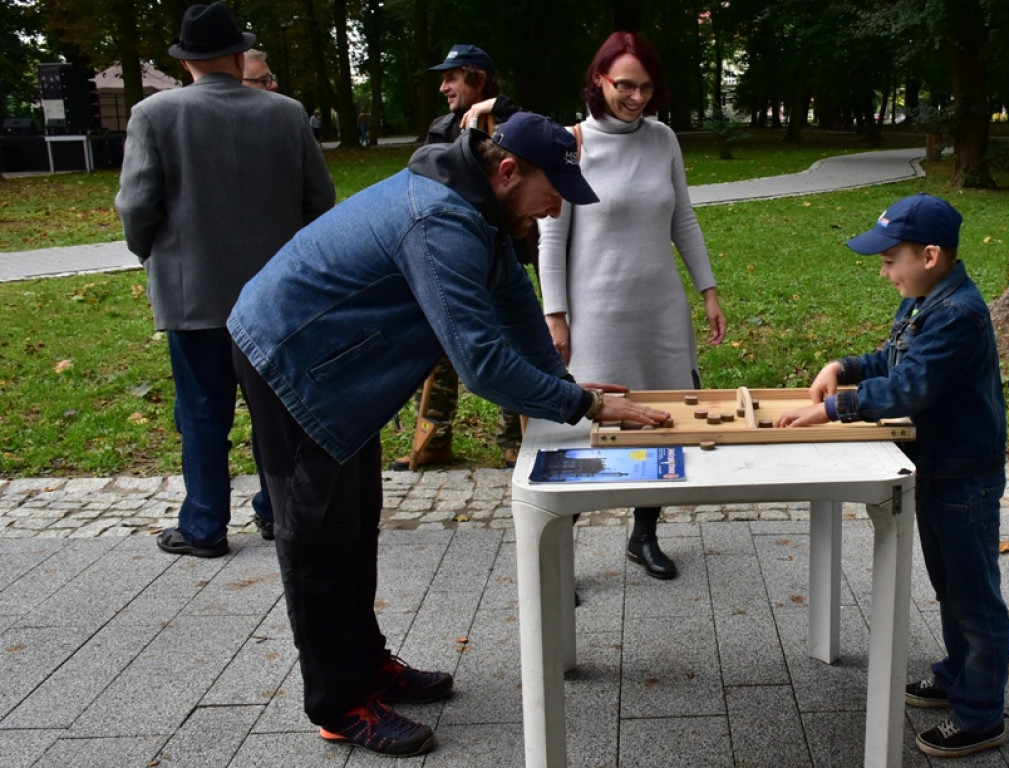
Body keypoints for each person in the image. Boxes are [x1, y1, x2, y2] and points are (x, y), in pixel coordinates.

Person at [228, 112, 669, 757]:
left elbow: (519, 318)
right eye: (553, 195)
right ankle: (339, 703)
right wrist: (586, 410)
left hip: (340, 367)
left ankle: (367, 665)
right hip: (290, 359)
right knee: (318, 536)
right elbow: (481, 362)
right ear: (509, 170)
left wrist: (575, 391)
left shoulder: (483, 212)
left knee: (355, 521)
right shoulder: (441, 221)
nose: (554, 213)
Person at [775, 193, 1009, 759]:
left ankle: (981, 714)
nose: (884, 274)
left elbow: (911, 388)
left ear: (930, 255)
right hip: (936, 465)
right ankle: (957, 675)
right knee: (950, 584)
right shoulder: (925, 299)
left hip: (963, 475)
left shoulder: (959, 314)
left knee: (974, 595)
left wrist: (833, 409)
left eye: (889, 262)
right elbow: (894, 361)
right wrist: (845, 368)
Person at [115, 2, 336, 556]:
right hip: (276, 298)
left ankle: (205, 525)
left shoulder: (153, 114)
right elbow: (320, 202)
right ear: (240, 57)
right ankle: (276, 510)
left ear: (187, 62)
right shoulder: (286, 113)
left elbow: (137, 207)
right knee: (276, 413)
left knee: (202, 412)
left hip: (195, 296)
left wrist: (156, 257)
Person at [538, 31, 726, 580]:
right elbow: (551, 237)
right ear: (600, 80)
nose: (636, 97)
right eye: (625, 85)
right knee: (584, 435)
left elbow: (682, 219)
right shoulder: (571, 142)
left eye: (645, 87)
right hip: (596, 317)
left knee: (659, 421)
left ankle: (644, 535)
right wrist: (556, 315)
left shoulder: (664, 139)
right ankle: (557, 555)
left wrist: (707, 290)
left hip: (661, 311)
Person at [389, 43, 525, 471]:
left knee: (505, 341)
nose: (444, 86)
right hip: (447, 253)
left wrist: (495, 107)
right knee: (438, 344)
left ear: (478, 79)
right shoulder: (441, 128)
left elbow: (535, 130)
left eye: (452, 77)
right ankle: (434, 438)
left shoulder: (507, 122)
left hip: (498, 256)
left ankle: (515, 439)